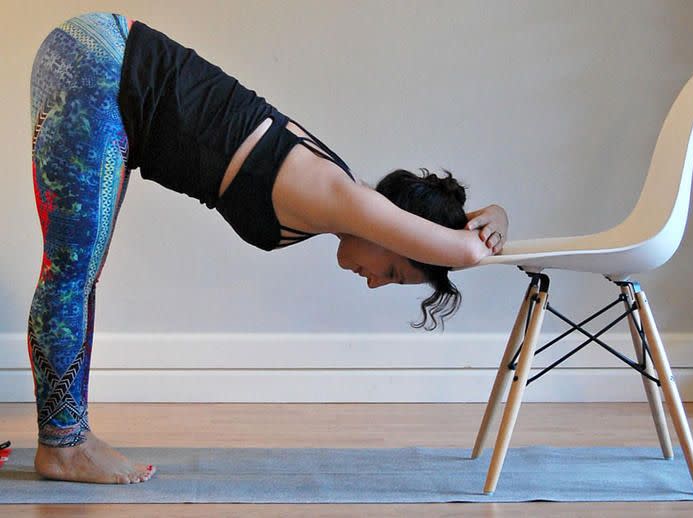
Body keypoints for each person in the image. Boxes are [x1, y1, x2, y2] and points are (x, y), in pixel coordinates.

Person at [27, 12, 509, 485]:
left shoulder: (339, 198)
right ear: (397, 232)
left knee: (76, 274)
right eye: (396, 273)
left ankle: (65, 440)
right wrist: (490, 228)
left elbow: (453, 243)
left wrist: (494, 215)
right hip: (103, 68)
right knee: (71, 274)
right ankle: (64, 447)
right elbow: (463, 251)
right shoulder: (341, 196)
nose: (376, 282)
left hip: (106, 66)